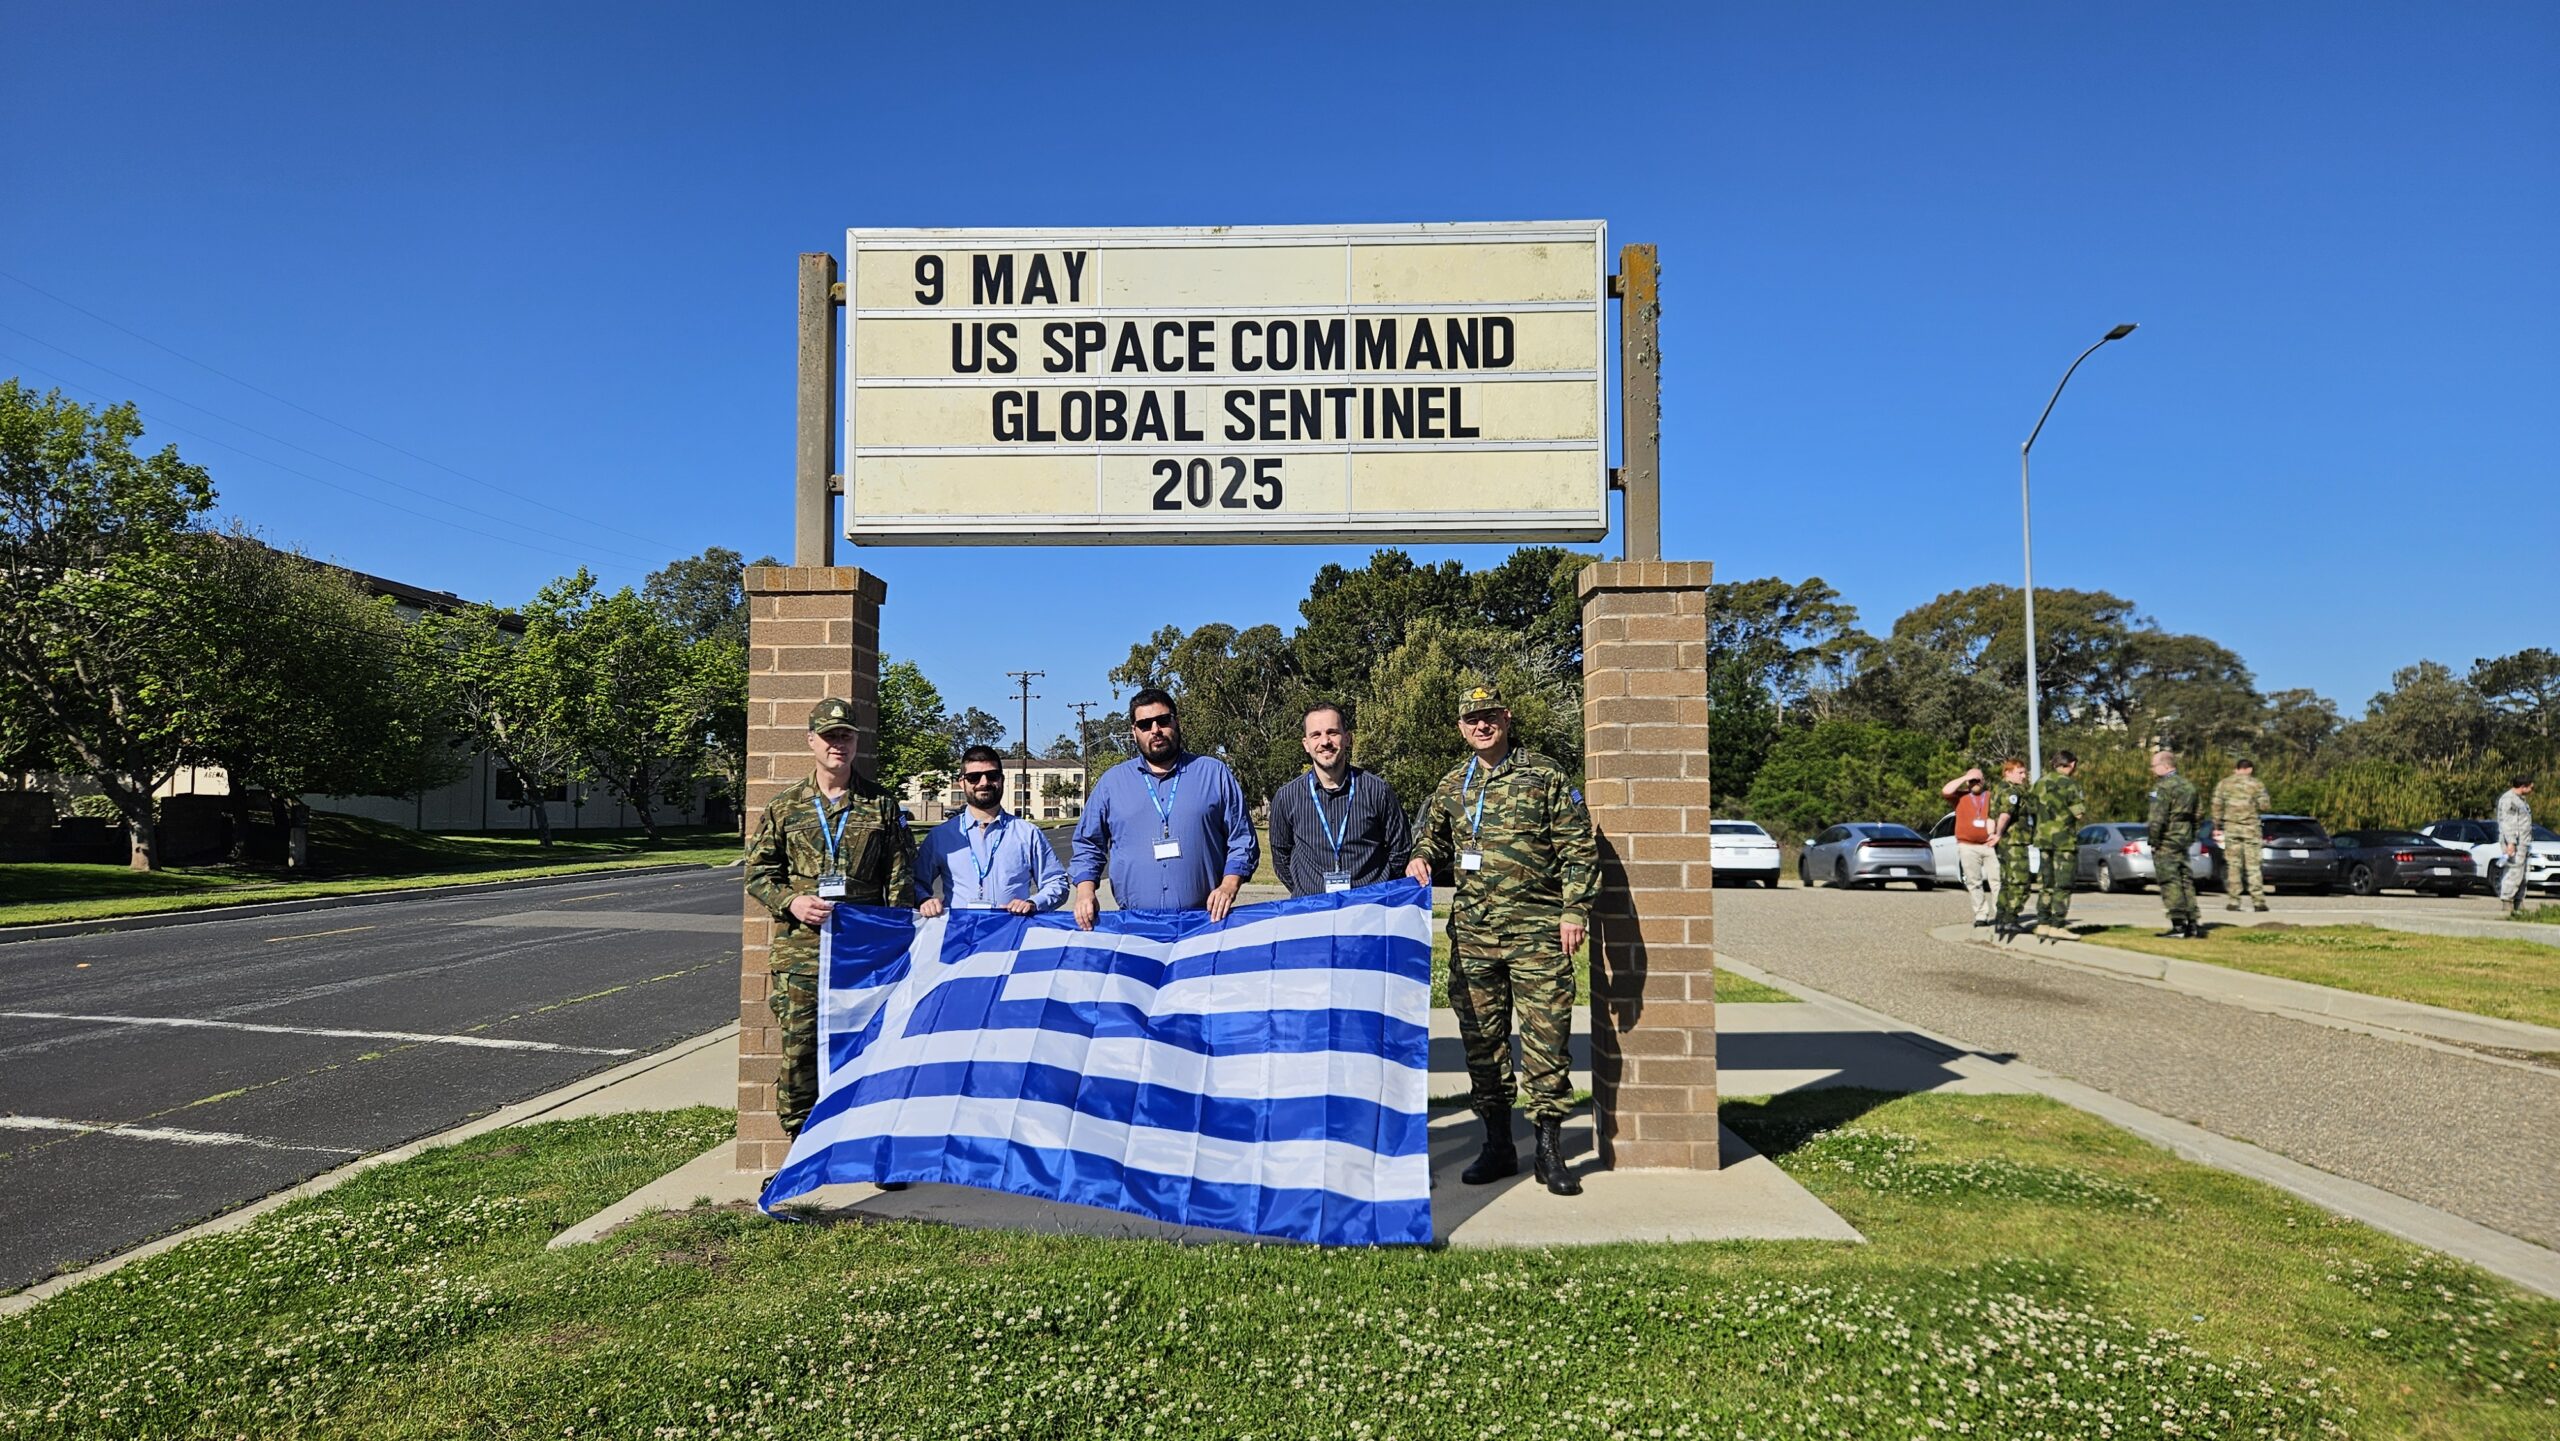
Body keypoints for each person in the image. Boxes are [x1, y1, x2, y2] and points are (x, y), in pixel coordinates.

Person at [1405, 682, 1597, 1197]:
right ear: (1461, 728)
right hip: (1473, 937)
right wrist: (1421, 857)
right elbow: (1431, 837)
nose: (1481, 725)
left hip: (1538, 933)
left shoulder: (1544, 774)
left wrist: (1574, 910)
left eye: (1489, 716)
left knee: (1546, 1042)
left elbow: (1579, 849)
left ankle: (1550, 1152)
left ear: (1507, 718)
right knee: (1483, 1046)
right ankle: (1497, 1145)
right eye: (1472, 719)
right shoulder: (1452, 784)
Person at [743, 697, 916, 1138]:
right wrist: (791, 902)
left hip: (863, 956)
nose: (838, 744)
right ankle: (801, 1146)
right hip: (803, 955)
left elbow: (900, 880)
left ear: (856, 742)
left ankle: (863, 1141)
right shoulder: (785, 807)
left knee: (867, 1048)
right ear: (811, 741)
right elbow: (758, 874)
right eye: (829, 736)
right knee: (800, 1051)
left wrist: (896, 948)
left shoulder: (881, 805)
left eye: (846, 736)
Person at [1070, 688, 1257, 926]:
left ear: (1177, 722)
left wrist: (1229, 886)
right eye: (1145, 724)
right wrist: (1085, 892)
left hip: (1205, 924)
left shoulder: (1214, 774)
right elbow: (1088, 845)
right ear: (1134, 731)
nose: (1155, 730)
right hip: (1136, 926)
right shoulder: (1111, 783)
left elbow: (1242, 839)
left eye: (1163, 720)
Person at [1267, 702, 1412, 897]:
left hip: (1368, 908)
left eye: (1332, 732)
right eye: (1316, 735)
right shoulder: (1287, 797)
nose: (1325, 741)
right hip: (1313, 909)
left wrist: (1377, 892)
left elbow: (1400, 850)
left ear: (1347, 738)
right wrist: (1306, 892)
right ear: (1306, 744)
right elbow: (1280, 856)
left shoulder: (1378, 790)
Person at [915, 745, 1068, 916]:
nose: (984, 783)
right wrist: (924, 900)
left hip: (1012, 930)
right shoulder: (940, 836)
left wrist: (1033, 903)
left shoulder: (1028, 833)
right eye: (974, 777)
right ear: (962, 782)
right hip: (960, 930)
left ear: (1001, 779)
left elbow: (1056, 882)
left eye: (992, 775)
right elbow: (915, 882)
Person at [2030, 751, 2088, 935]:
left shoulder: (2039, 783)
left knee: (2046, 885)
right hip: (2064, 841)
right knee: (2063, 884)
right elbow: (2079, 813)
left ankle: (2042, 923)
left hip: (2043, 839)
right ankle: (2057, 925)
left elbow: (2031, 809)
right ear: (2071, 764)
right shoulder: (2070, 784)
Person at [2148, 749, 2204, 938]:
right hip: (2183, 838)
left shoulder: (2163, 787)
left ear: (2165, 766)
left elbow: (2157, 817)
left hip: (2167, 838)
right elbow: (2199, 814)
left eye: (2154, 766)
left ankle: (2178, 924)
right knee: (2185, 880)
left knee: (2169, 880)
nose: (2152, 769)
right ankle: (2192, 922)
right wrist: (2192, 834)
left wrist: (2154, 840)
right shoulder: (2189, 786)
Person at [2211, 757, 2275, 913]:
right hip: (2251, 829)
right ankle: (2258, 901)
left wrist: (2217, 825)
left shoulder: (2224, 784)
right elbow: (2265, 806)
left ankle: (2234, 901)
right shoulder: (2256, 784)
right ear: (2249, 769)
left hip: (2231, 828)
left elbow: (2216, 806)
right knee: (2253, 867)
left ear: (2237, 768)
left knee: (2233, 866)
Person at [1939, 765, 2000, 926]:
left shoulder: (1990, 796)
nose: (1975, 782)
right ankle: (1981, 914)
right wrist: (1965, 777)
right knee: (1974, 882)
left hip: (1989, 845)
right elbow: (1945, 790)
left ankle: (2000, 913)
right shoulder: (1960, 797)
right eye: (1972, 780)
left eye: (1978, 779)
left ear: (1983, 780)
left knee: (1996, 880)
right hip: (1967, 845)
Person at [1990, 758, 2034, 938]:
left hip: (2006, 843)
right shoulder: (2011, 791)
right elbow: (2005, 815)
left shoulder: (1998, 789)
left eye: (2024, 772)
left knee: (2007, 882)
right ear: (2007, 773)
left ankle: (2001, 919)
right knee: (2020, 882)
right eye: (2020, 772)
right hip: (2014, 842)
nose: (2024, 776)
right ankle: (2010, 919)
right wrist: (1998, 833)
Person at [2496, 775, 2537, 916]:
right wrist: (2511, 843)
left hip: (2523, 843)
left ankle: (2518, 901)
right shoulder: (2509, 800)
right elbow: (2508, 823)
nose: (2531, 790)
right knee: (2513, 871)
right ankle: (2507, 900)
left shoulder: (2520, 801)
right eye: (2531, 787)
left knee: (2522, 873)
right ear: (2523, 786)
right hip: (2514, 843)